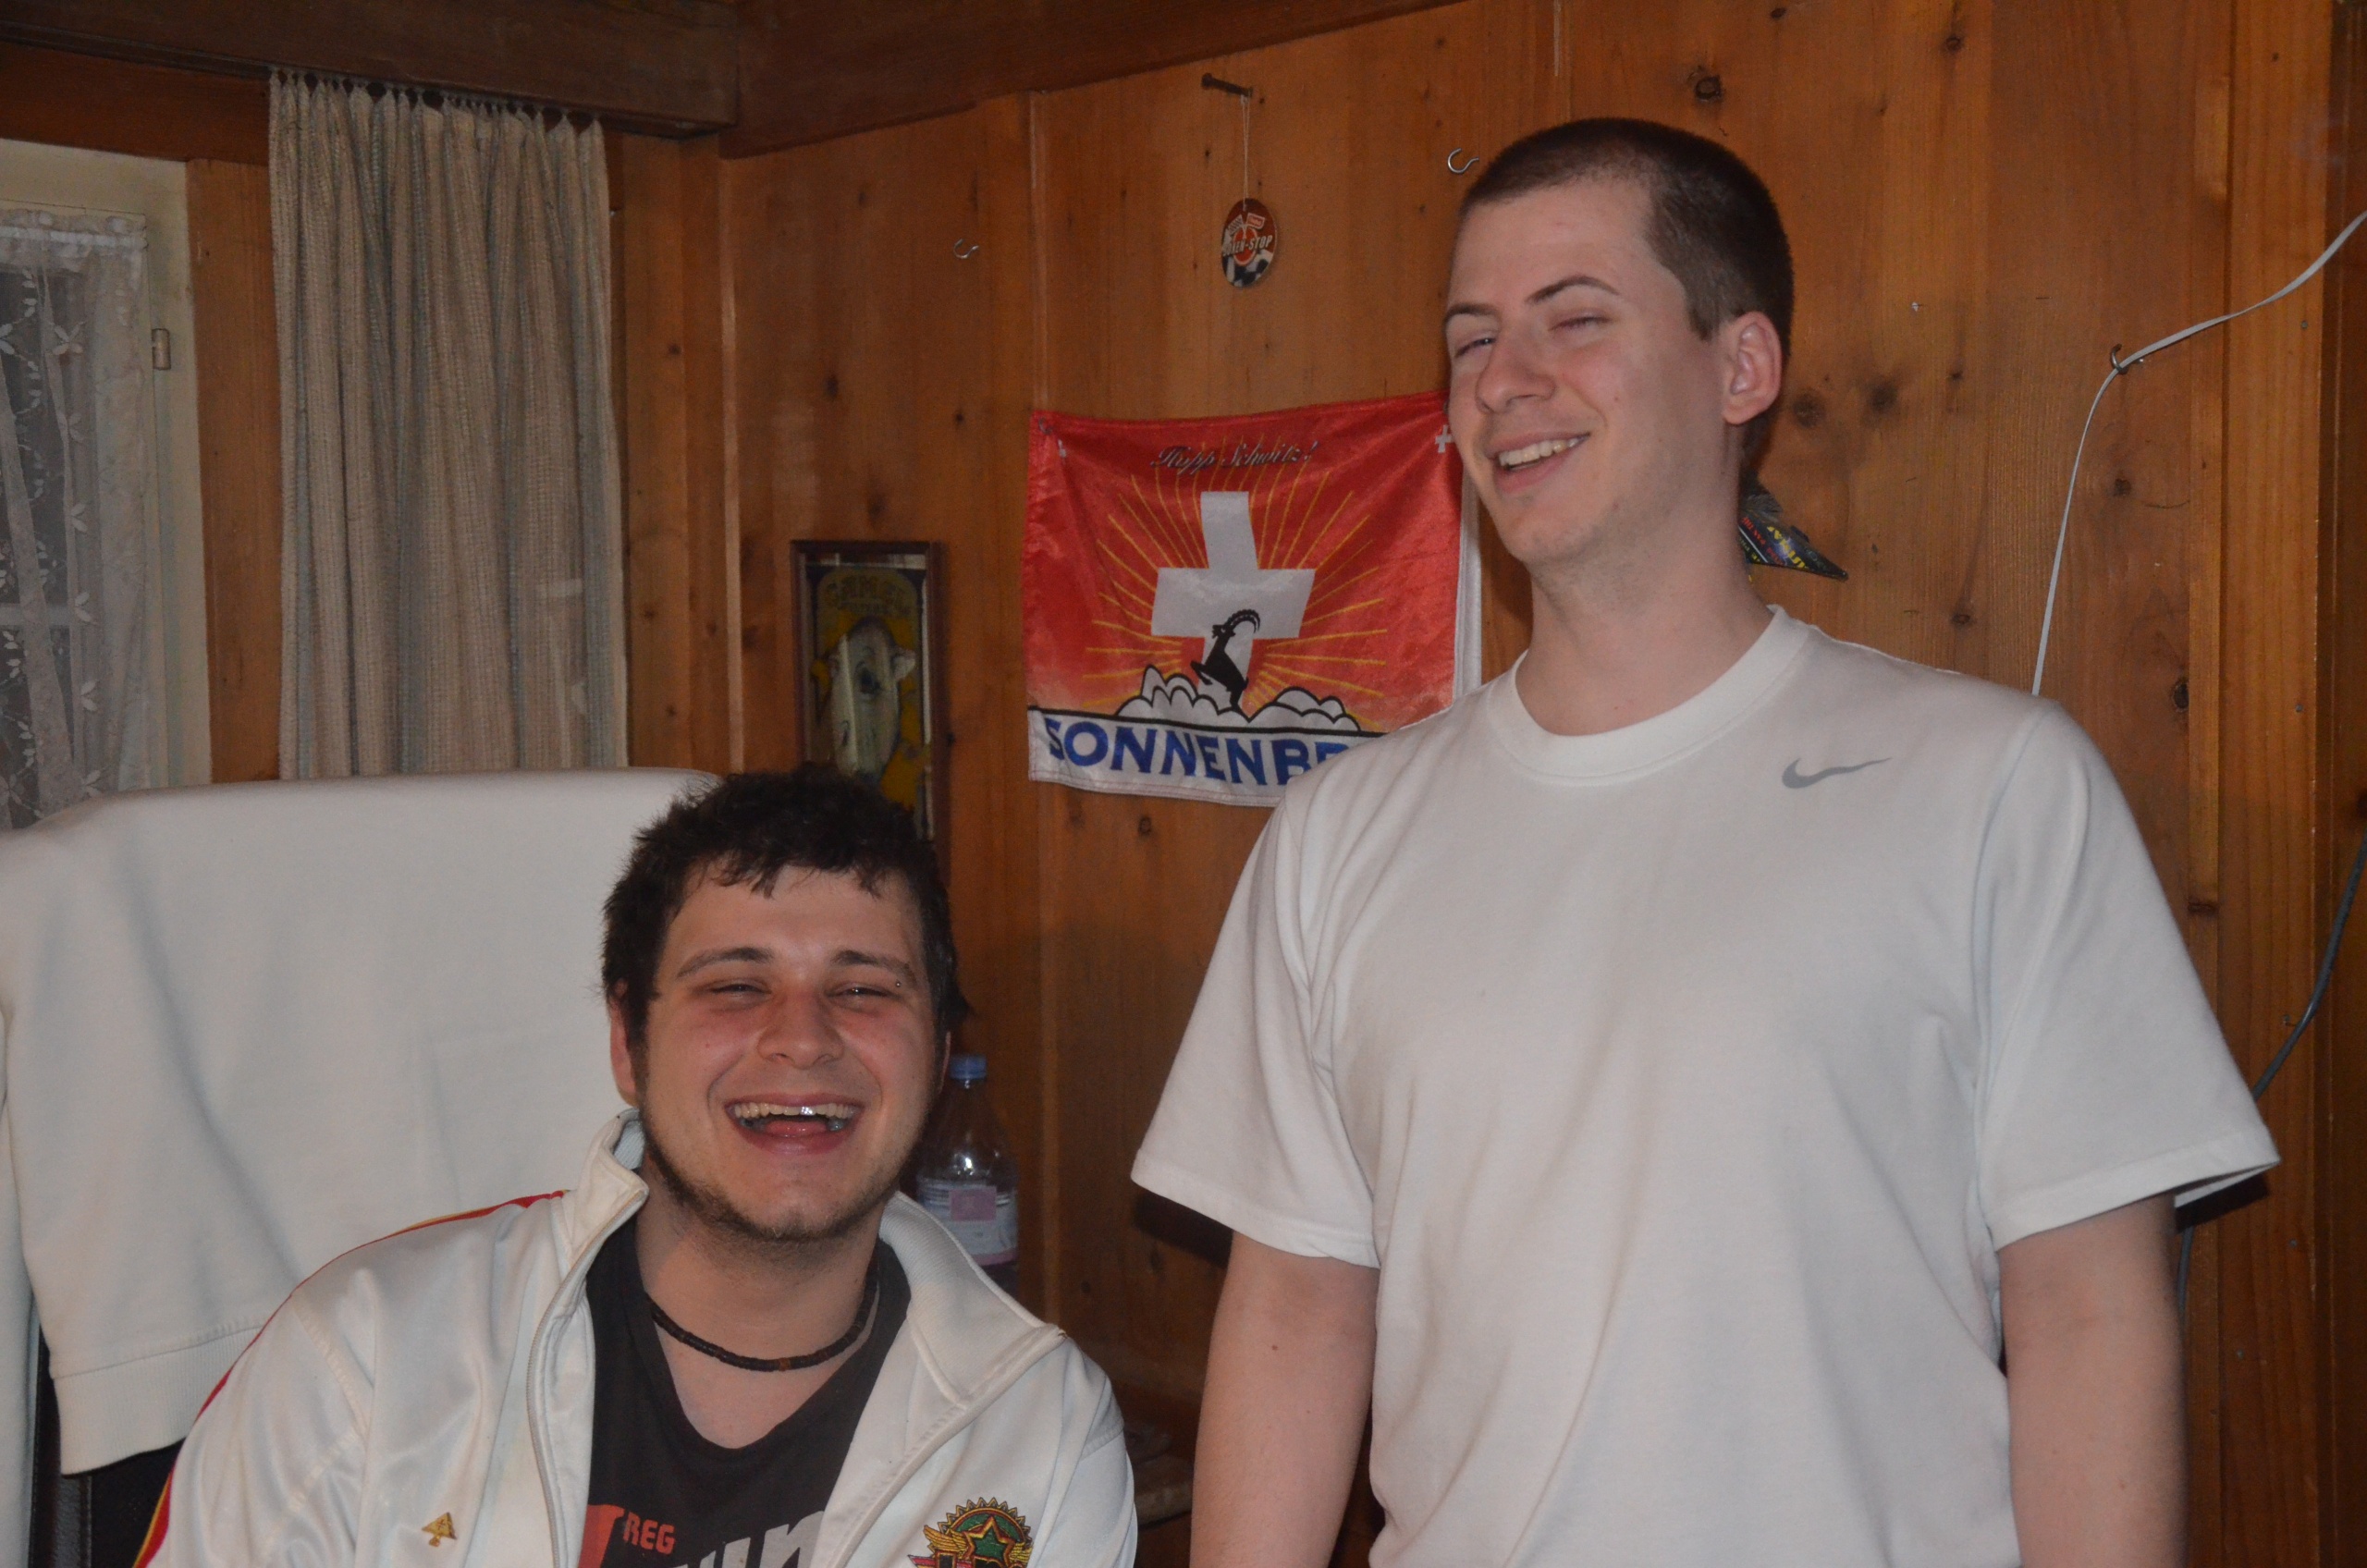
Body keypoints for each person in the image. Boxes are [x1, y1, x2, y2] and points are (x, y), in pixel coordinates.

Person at [1132, 118, 2275, 1568]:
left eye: (1575, 320)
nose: (1503, 380)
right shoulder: (1336, 834)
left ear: (1743, 368)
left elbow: (2091, 1311)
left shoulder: (1992, 788)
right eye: (1472, 337)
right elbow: (1298, 1310)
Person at [141, 767, 1134, 1568]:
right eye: (735, 986)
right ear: (628, 1041)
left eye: (865, 989)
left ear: (937, 1050)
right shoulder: (364, 1360)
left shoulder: (1037, 1429)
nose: (802, 1038)